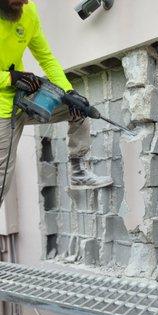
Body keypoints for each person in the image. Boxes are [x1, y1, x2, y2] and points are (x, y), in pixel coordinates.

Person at [0, 0, 113, 201]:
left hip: (21, 96)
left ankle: (78, 172)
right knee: (2, 181)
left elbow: (47, 58)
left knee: (78, 107)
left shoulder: (28, 10)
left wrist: (69, 92)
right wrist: (10, 78)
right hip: (2, 112)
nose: (24, 2)